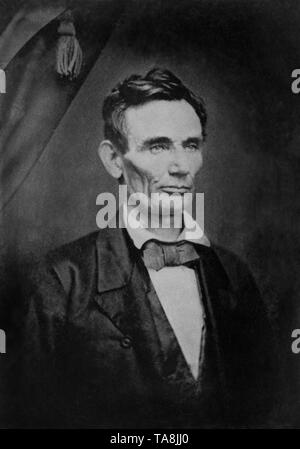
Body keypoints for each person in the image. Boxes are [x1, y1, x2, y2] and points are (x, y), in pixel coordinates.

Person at [20, 68, 276, 428]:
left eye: (191, 145)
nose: (180, 166)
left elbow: (268, 407)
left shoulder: (233, 272)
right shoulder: (61, 279)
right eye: (157, 146)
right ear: (113, 160)